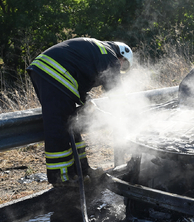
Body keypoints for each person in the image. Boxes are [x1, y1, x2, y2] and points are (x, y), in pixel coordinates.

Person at [26, 38, 133, 188]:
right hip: (54, 72)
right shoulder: (110, 57)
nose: (120, 68)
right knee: (59, 126)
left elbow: (79, 77)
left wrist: (87, 102)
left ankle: (82, 170)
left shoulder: (98, 50)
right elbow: (116, 92)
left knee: (72, 124)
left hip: (47, 71)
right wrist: (128, 116)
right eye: (123, 64)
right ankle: (61, 178)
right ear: (121, 56)